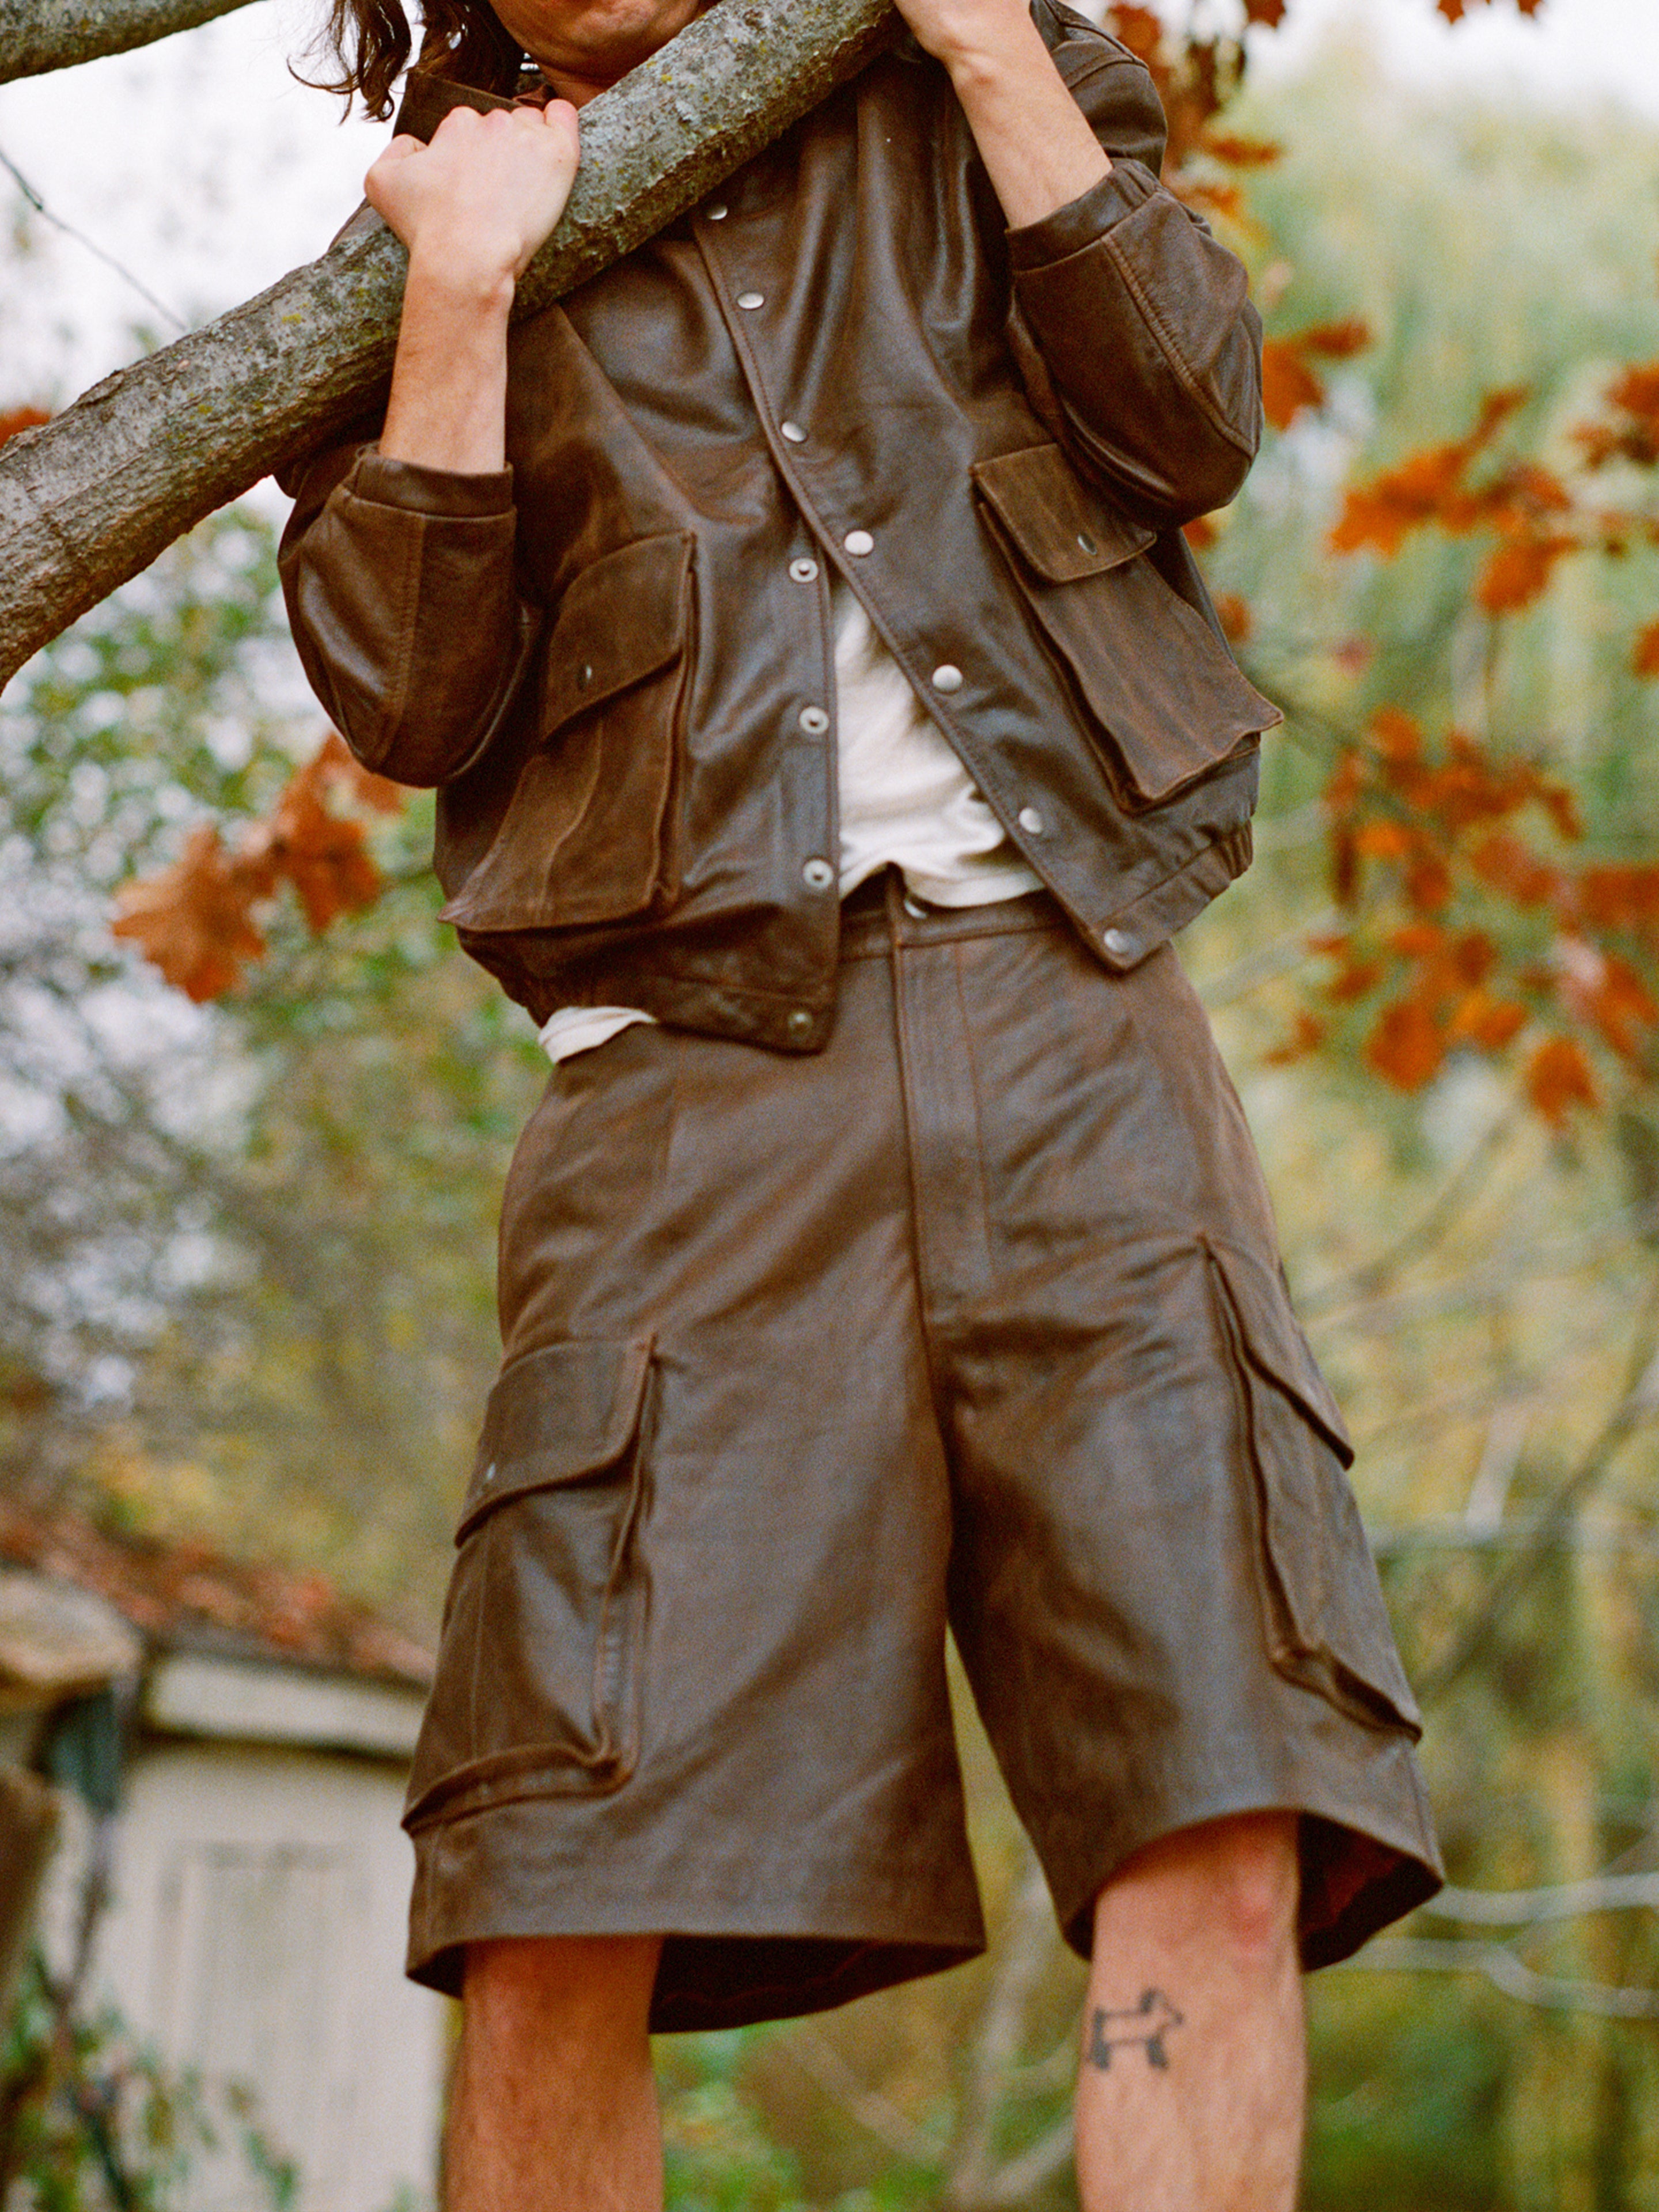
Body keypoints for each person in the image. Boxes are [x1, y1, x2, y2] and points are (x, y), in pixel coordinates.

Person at [279, 0, 1444, 2195]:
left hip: (1081, 1025)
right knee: (556, 1876)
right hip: (680, 1091)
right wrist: (454, 295)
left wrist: (992, 47)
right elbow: (413, 703)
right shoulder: (413, 230)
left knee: (1221, 1794)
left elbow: (1194, 420)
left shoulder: (990, 64)